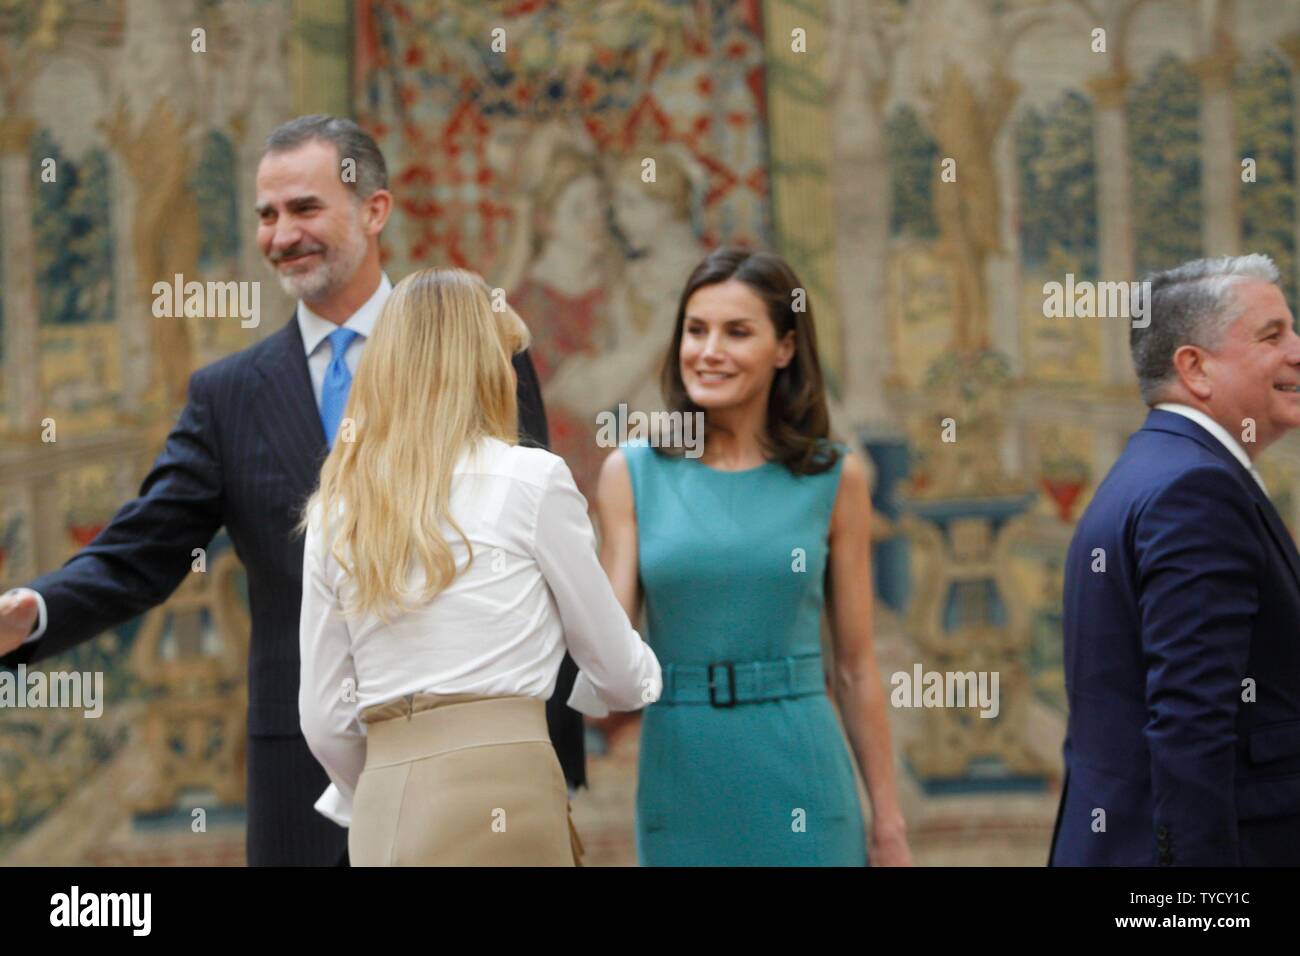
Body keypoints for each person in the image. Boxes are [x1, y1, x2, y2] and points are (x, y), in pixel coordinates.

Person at [0, 114, 583, 866]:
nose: (281, 235)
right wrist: (33, 614)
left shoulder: (483, 350)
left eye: (305, 209)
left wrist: (553, 753)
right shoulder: (227, 396)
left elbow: (540, 557)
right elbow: (140, 553)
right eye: (266, 216)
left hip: (476, 767)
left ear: (375, 210)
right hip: (300, 774)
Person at [298, 267, 661, 866]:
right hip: (507, 786)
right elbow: (618, 673)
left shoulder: (336, 508)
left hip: (386, 802)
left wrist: (393, 771)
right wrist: (646, 673)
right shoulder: (533, 480)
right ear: (487, 366)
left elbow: (324, 718)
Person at [595, 246, 911, 866]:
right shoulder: (630, 473)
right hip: (681, 778)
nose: (708, 350)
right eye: (695, 329)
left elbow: (854, 666)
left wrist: (889, 822)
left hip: (802, 768)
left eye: (736, 332)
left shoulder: (834, 477)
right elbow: (610, 647)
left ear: (785, 348)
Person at [1049, 254, 1300, 866]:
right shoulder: (1195, 491)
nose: (1296, 348)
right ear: (1195, 368)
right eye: (1273, 335)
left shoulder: (1155, 470)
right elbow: (1192, 728)